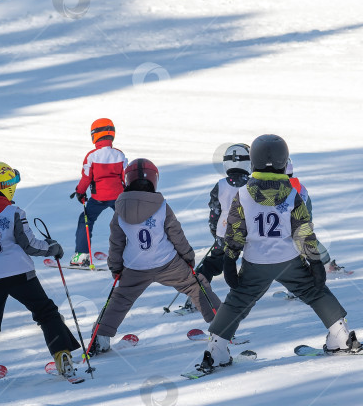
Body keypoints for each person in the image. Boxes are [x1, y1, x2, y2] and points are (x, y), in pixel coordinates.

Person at [201, 134, 363, 372]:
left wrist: (229, 259)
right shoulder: (291, 194)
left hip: (255, 261)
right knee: (315, 291)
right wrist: (315, 262)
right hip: (289, 260)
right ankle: (340, 336)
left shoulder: (244, 194)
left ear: (253, 162)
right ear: (283, 161)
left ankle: (216, 350)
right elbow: (303, 231)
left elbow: (235, 231)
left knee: (237, 302)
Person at [0, 162, 82, 388]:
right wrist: (53, 248)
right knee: (46, 313)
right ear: (6, 187)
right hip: (21, 274)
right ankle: (63, 358)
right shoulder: (14, 212)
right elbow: (30, 245)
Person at [91, 158, 221, 355]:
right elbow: (175, 233)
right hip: (167, 262)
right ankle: (221, 326)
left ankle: (99, 338)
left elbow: (116, 242)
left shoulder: (119, 209)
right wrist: (187, 256)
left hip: (135, 266)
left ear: (127, 180)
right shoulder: (161, 205)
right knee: (196, 285)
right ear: (154, 180)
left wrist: (116, 267)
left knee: (120, 298)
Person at [176, 143, 251, 314]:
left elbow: (214, 213)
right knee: (255, 262)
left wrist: (216, 234)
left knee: (213, 264)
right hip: (249, 234)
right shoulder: (253, 184)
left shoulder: (221, 185)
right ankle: (244, 297)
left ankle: (195, 296)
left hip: (224, 233)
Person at [69, 118, 128, 267]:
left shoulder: (92, 156)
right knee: (126, 223)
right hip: (118, 197)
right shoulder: (119, 154)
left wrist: (80, 192)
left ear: (95, 135)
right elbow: (125, 177)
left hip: (98, 198)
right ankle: (133, 253)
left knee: (85, 220)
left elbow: (86, 177)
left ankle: (81, 256)